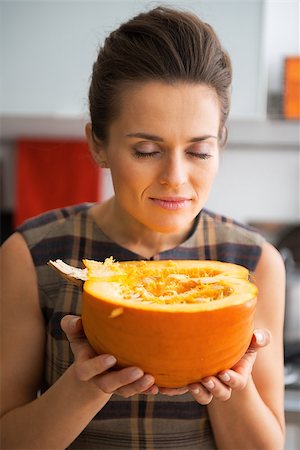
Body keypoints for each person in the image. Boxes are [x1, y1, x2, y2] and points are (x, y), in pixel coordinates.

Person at [0, 6, 286, 449]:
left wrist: (234, 385)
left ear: (221, 143)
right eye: (148, 150)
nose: (176, 176)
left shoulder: (256, 262)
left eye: (199, 151)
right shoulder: (29, 254)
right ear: (99, 143)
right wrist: (88, 385)